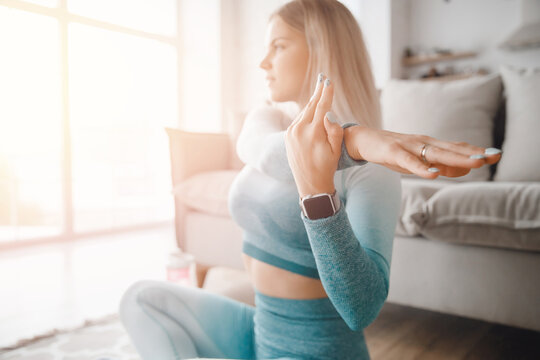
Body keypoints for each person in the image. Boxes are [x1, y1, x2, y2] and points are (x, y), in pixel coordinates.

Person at [118, 1, 501, 359]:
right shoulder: (268, 124)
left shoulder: (372, 175)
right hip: (258, 331)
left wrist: (319, 193)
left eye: (279, 46)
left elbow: (361, 309)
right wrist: (354, 139)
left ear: (321, 49)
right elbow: (261, 149)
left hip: (317, 349)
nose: (263, 62)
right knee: (141, 300)